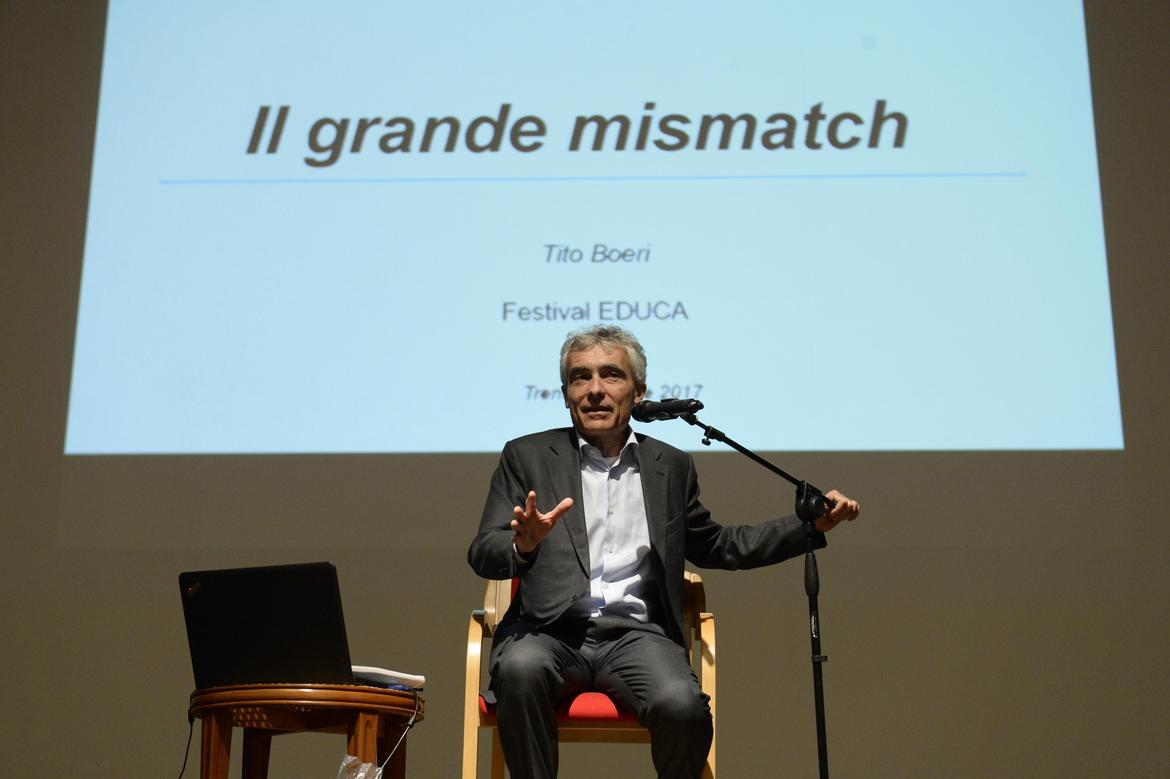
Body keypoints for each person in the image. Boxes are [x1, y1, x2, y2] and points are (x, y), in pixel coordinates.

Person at [467, 324, 861, 778]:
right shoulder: (526, 455)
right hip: (548, 632)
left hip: (638, 636)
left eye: (611, 375)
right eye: (580, 377)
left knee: (683, 706)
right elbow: (483, 550)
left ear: (638, 392)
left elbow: (716, 545)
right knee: (520, 670)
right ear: (565, 395)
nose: (594, 390)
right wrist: (523, 544)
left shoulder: (670, 466)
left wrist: (809, 526)